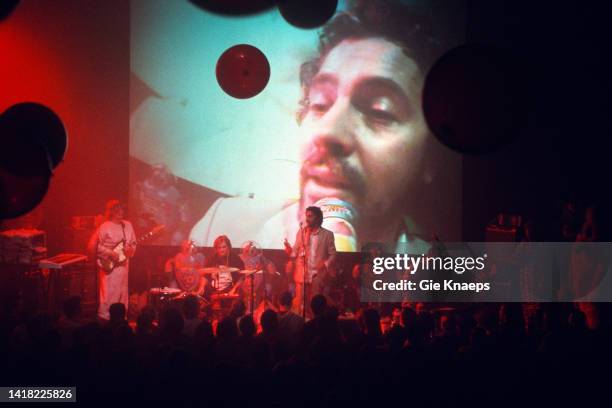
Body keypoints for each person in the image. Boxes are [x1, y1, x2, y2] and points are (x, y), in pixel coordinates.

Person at [190, 0, 453, 254]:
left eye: (379, 112)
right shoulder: (223, 226)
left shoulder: (435, 274)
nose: (327, 132)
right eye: (320, 103)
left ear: (429, 155)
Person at [88, 200, 136, 321]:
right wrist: (110, 253)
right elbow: (93, 246)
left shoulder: (128, 225)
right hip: (109, 267)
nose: (120, 212)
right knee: (109, 293)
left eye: (122, 209)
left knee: (122, 292)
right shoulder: (105, 226)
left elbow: (133, 243)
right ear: (111, 212)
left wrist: (131, 250)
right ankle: (106, 318)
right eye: (117, 209)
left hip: (124, 266)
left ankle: (121, 317)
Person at [284, 206, 336, 317]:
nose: (307, 219)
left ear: (318, 218)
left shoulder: (327, 234)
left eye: (310, 216)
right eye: (306, 216)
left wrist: (325, 264)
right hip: (302, 274)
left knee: (315, 304)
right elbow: (295, 252)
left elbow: (333, 254)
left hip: (317, 274)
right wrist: (289, 251)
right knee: (300, 304)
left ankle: (314, 325)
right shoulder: (302, 232)